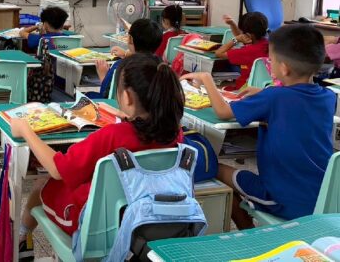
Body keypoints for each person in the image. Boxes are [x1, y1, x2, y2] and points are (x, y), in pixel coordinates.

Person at [11, 54, 184, 259]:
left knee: (42, 183)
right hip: (147, 222)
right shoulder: (175, 133)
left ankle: (22, 237)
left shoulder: (112, 136)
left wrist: (26, 131)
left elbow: (58, 170)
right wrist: (130, 119)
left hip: (95, 230)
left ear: (127, 97)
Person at [184, 24, 334, 229]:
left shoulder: (274, 98)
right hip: (322, 196)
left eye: (271, 60)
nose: (270, 64)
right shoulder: (327, 97)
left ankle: (248, 232)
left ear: (284, 68)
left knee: (215, 168)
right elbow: (296, 108)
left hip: (280, 199)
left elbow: (223, 112)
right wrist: (264, 94)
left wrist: (206, 79)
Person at [90, 19, 162, 99]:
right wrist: (125, 54)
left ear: (130, 39)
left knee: (88, 95)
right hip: (149, 105)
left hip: (119, 105)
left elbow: (106, 95)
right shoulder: (160, 65)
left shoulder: (120, 66)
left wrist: (103, 75)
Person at [22, 7, 69, 103]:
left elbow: (22, 32)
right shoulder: (68, 39)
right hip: (63, 81)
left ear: (45, 24)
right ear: (62, 24)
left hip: (42, 85)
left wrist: (37, 26)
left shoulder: (41, 39)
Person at [215, 12, 269, 90]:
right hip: (263, 88)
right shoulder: (269, 44)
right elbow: (243, 37)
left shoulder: (247, 51)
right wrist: (232, 24)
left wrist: (235, 40)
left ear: (248, 34)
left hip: (243, 89)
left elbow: (219, 53)